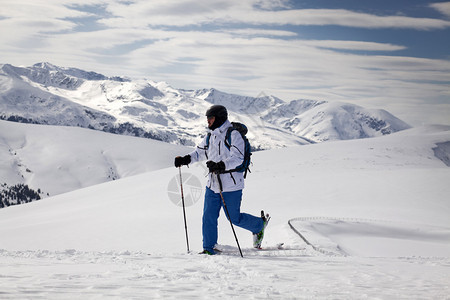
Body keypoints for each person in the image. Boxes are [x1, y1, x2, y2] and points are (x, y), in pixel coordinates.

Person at [174, 104, 268, 255]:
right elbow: (199, 153)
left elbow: (238, 158)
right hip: (212, 184)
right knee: (208, 217)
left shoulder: (233, 135)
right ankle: (209, 249)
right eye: (207, 119)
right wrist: (185, 159)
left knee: (233, 218)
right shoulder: (210, 136)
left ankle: (258, 225)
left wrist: (221, 165)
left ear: (219, 118)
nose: (208, 122)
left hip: (231, 185)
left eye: (210, 118)